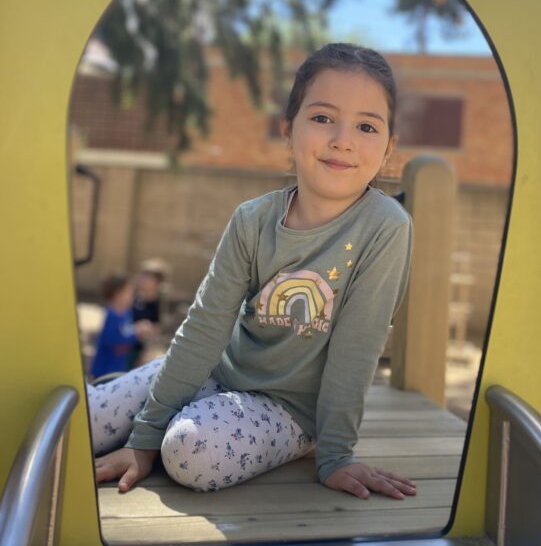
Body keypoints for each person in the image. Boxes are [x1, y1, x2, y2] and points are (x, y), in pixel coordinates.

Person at [88, 43, 417, 503]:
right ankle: (164, 408)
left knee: (188, 451)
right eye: (323, 117)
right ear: (288, 129)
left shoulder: (385, 227)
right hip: (218, 374)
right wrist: (143, 436)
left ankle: (200, 422)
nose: (343, 139)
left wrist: (336, 455)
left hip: (290, 411)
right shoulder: (252, 220)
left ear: (389, 147)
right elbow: (205, 327)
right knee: (84, 419)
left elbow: (357, 349)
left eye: (366, 126)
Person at [89, 273, 154, 380]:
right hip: (104, 372)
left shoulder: (126, 313)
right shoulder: (111, 315)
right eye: (129, 292)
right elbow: (113, 339)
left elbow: (127, 332)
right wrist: (137, 332)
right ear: (118, 294)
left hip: (118, 370)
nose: (133, 296)